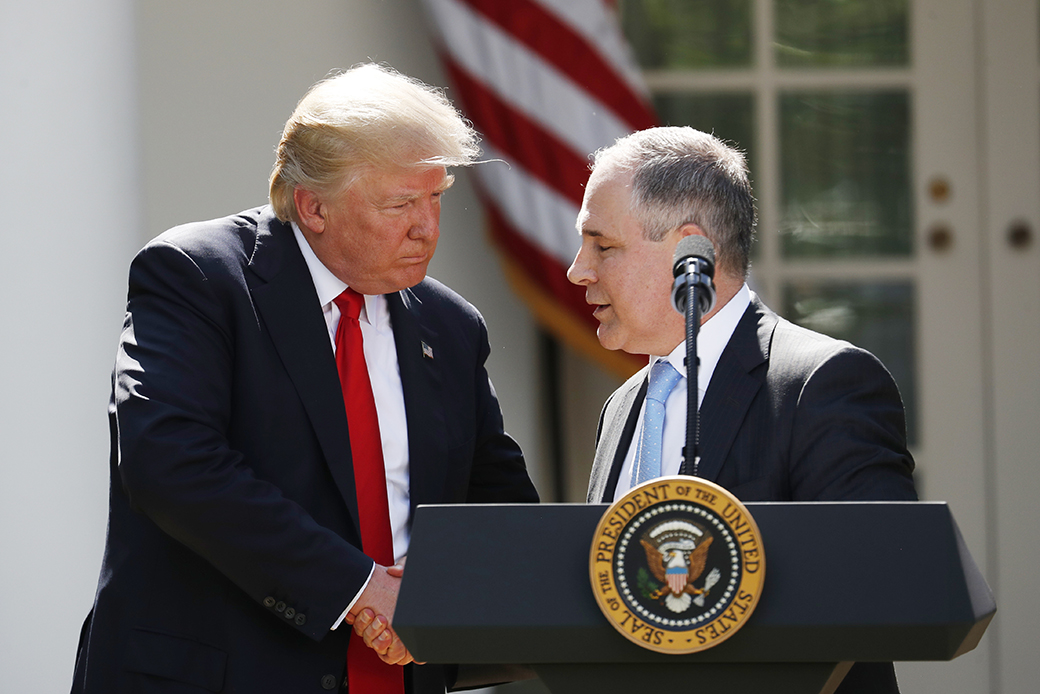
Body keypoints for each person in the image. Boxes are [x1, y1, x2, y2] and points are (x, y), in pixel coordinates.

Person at [71, 63, 539, 694]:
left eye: (436, 198)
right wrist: (359, 588)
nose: (426, 227)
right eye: (401, 203)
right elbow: (169, 460)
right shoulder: (198, 277)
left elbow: (499, 506)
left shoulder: (450, 325)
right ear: (312, 206)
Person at [568, 126, 916, 693]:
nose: (577, 270)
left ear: (690, 254)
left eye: (602, 245)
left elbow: (882, 580)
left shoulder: (823, 384)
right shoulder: (623, 406)